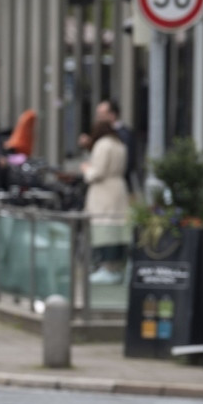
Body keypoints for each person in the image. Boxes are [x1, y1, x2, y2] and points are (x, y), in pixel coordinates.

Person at [81, 119, 130, 284]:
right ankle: (115, 267)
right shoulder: (119, 144)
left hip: (104, 191)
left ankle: (107, 268)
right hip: (118, 189)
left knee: (104, 229)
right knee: (115, 229)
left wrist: (87, 170)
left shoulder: (103, 144)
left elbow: (98, 172)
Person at [79, 99, 136, 193]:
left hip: (111, 188)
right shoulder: (103, 135)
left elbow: (127, 163)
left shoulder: (123, 135)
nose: (98, 118)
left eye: (101, 115)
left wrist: (89, 170)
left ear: (112, 115)